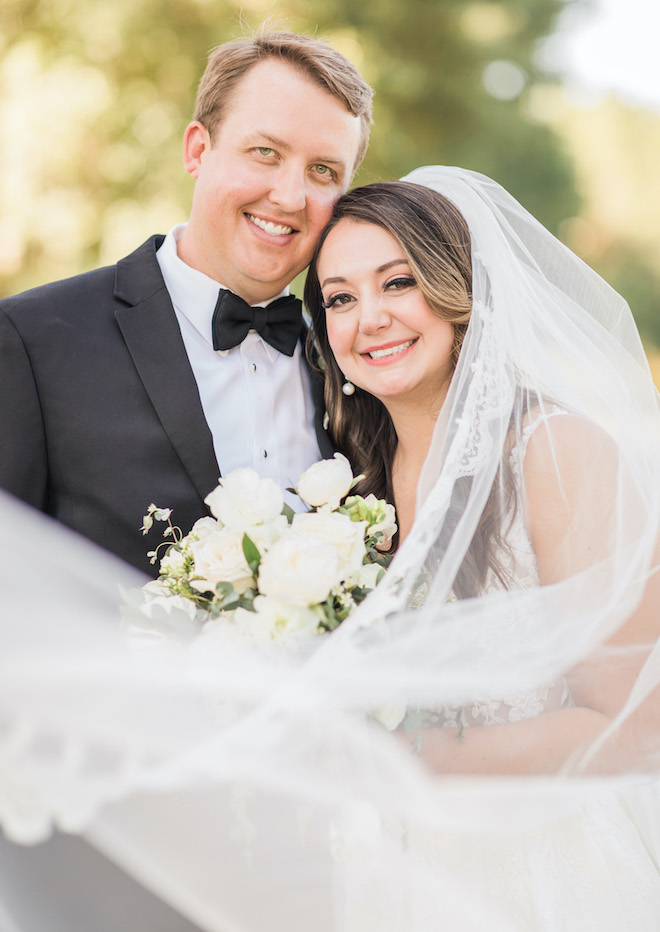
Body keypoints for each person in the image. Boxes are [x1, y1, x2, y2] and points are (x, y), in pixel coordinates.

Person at [1, 168, 660, 931]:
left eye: (398, 283)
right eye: (340, 298)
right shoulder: (352, 483)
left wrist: (408, 760)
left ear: (460, 292)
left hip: (540, 874)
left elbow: (637, 721)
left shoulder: (553, 450)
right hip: (383, 877)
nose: (369, 318)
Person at [0, 29, 372, 576]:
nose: (291, 197)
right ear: (198, 149)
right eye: (265, 152)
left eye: (324, 171)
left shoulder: (361, 361)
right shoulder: (32, 339)